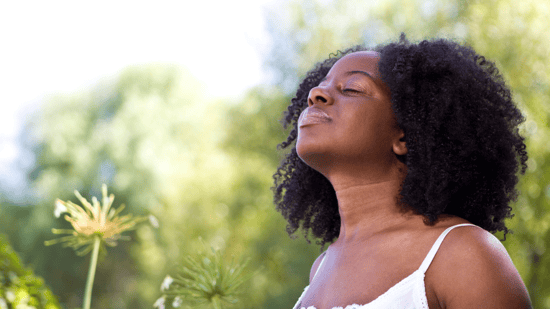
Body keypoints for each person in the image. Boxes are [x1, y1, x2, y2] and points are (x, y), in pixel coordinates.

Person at [273, 35, 532, 309]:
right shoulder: (321, 268)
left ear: (404, 137)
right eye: (319, 87)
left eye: (351, 88)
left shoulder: (461, 252)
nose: (316, 95)